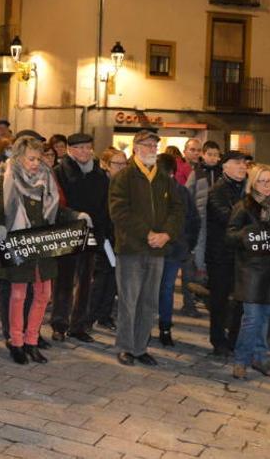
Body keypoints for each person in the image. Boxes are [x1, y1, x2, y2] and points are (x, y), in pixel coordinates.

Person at [0, 136, 84, 365]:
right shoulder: (6, 180)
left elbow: (57, 210)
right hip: (19, 247)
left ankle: (32, 341)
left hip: (43, 248)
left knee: (43, 296)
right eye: (31, 158)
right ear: (18, 157)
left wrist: (76, 216)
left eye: (39, 159)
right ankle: (16, 343)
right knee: (18, 296)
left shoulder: (47, 179)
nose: (36, 163)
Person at [109, 130, 183, 367]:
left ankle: (141, 347)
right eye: (147, 145)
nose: (152, 149)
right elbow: (120, 212)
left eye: (155, 145)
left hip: (157, 249)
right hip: (131, 248)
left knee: (149, 301)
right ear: (135, 148)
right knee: (128, 301)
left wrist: (166, 234)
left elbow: (178, 209)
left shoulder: (163, 177)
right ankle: (125, 347)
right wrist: (147, 233)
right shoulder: (124, 177)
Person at [226, 164, 270, 379]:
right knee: (252, 318)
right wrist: (246, 235)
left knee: (265, 317)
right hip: (250, 270)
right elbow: (230, 235)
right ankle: (241, 360)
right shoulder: (244, 206)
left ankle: (260, 358)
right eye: (262, 181)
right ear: (253, 183)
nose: (266, 186)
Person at [51, 133, 108, 343]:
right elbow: (57, 204)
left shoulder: (99, 174)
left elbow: (105, 205)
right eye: (80, 148)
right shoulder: (60, 172)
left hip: (92, 233)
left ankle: (78, 325)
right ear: (70, 150)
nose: (85, 152)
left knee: (86, 281)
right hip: (68, 231)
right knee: (64, 281)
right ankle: (59, 324)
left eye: (88, 148)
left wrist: (101, 233)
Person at [206, 150, 248, 357]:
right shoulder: (218, 190)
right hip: (220, 255)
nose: (243, 166)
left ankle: (234, 339)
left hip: (241, 255)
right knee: (220, 300)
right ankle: (218, 341)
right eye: (237, 162)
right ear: (225, 166)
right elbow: (227, 218)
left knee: (239, 300)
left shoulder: (247, 188)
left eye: (245, 163)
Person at [156, 153, 199, 347]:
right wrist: (188, 244)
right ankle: (165, 328)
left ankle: (147, 328)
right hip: (175, 249)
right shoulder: (182, 191)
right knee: (167, 289)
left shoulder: (154, 190)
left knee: (152, 289)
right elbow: (194, 221)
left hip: (157, 248)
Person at [91, 147, 128, 331]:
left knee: (113, 278)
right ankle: (90, 315)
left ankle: (105, 315)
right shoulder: (101, 184)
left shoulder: (126, 185)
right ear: (106, 165)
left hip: (119, 238)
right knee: (100, 277)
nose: (121, 167)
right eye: (117, 164)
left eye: (124, 163)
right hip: (103, 238)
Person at [184, 140, 223, 312]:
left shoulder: (223, 174)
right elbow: (187, 196)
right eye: (210, 154)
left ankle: (211, 300)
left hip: (217, 224)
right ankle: (189, 302)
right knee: (193, 264)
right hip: (200, 223)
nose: (213, 158)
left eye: (216, 155)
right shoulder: (197, 173)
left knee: (213, 263)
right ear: (203, 155)